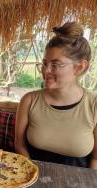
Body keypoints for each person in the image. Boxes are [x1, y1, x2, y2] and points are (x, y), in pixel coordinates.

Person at [15, 22, 97, 170]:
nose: (46, 71)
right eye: (45, 63)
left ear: (79, 67)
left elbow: (96, 160)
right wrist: (29, 174)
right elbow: (19, 145)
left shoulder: (93, 104)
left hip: (79, 183)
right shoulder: (29, 100)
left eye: (56, 65)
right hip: (32, 176)